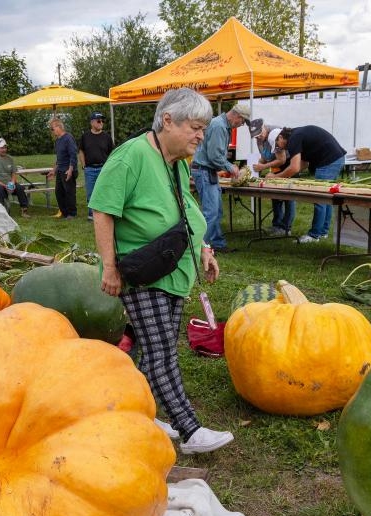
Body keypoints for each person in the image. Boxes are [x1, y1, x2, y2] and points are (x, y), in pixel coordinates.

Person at [89, 87, 233, 455]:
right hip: (143, 271)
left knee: (155, 348)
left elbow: (184, 205)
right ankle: (190, 429)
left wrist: (203, 246)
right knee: (161, 351)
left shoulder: (176, 158)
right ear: (168, 120)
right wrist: (109, 267)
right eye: (195, 127)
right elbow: (103, 211)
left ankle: (138, 414)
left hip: (172, 269)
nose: (201, 135)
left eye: (203, 128)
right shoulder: (130, 157)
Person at [268, 125, 346, 244]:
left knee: (319, 197)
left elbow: (295, 167)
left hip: (328, 160)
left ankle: (314, 235)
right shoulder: (295, 135)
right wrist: (288, 175)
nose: (279, 148)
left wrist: (275, 177)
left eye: (277, 145)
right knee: (326, 198)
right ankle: (323, 232)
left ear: (280, 137)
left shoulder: (293, 140)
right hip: (336, 157)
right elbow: (303, 164)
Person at [191, 101, 251, 253]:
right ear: (236, 116)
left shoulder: (222, 125)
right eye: (242, 121)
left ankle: (217, 243)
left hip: (207, 171)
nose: (241, 124)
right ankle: (199, 248)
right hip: (204, 170)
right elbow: (214, 156)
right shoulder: (219, 126)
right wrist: (231, 168)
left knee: (216, 210)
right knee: (210, 212)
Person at [249, 119, 294, 236]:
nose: (258, 138)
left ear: (263, 127)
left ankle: (286, 227)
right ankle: (277, 225)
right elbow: (264, 156)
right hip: (275, 167)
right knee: (275, 195)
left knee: (288, 196)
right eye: (255, 137)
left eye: (259, 135)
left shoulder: (275, 135)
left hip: (287, 165)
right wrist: (253, 165)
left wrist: (263, 166)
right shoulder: (259, 137)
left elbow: (281, 160)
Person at [78, 111, 114, 221]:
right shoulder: (85, 136)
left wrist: (108, 168)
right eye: (99, 120)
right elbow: (81, 151)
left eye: (102, 121)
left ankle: (104, 214)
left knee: (104, 192)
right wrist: (84, 166)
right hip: (89, 169)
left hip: (103, 169)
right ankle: (91, 215)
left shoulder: (107, 137)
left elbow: (112, 154)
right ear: (92, 122)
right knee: (90, 193)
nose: (101, 122)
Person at [0, 138, 30, 217]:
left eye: (5, 147)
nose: (4, 150)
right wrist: (4, 185)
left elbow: (13, 173)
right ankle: (1, 211)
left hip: (9, 184)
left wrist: (12, 183)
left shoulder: (10, 159)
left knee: (20, 188)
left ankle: (24, 210)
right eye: (2, 148)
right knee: (0, 189)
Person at [46, 117, 78, 219]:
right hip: (60, 170)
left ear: (59, 127)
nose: (52, 131)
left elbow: (73, 155)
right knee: (59, 192)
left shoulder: (68, 138)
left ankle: (71, 213)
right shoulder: (58, 141)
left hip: (68, 169)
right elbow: (59, 158)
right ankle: (64, 212)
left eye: (52, 128)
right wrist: (53, 170)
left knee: (69, 192)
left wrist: (70, 170)